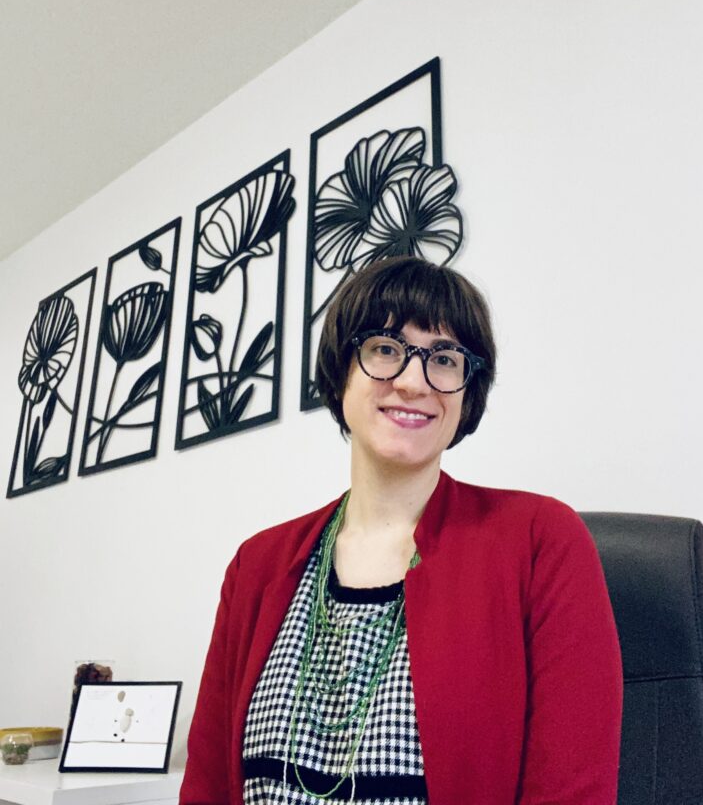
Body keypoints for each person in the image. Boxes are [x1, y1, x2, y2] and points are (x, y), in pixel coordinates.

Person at [180, 256, 623, 805]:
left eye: (445, 358)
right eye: (386, 349)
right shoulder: (257, 565)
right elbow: (206, 787)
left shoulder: (541, 541)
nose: (413, 382)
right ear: (342, 371)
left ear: (467, 392)